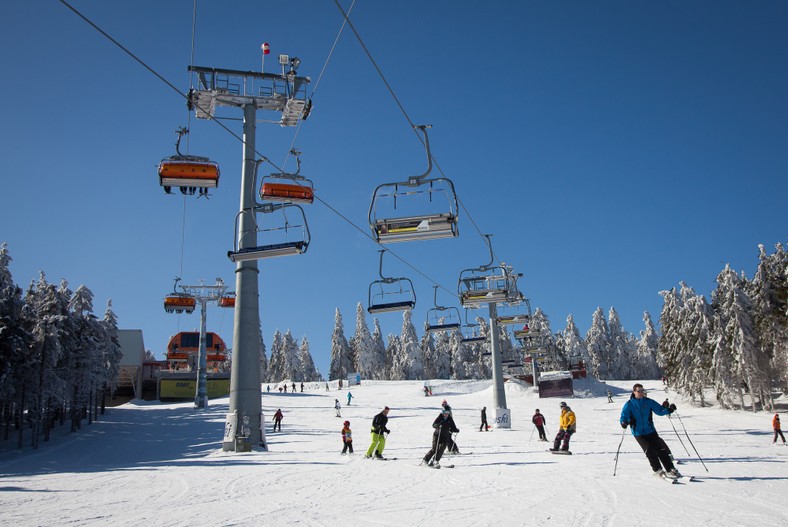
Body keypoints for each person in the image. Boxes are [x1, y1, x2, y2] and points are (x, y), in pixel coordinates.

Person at [620, 383, 681, 478]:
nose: (641, 392)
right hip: (638, 433)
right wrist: (624, 422)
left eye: (642, 390)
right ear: (634, 392)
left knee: (661, 450)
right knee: (649, 451)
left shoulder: (648, 402)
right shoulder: (629, 404)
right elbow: (624, 416)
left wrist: (669, 410)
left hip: (650, 430)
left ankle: (670, 469)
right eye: (639, 391)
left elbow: (659, 410)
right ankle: (657, 470)